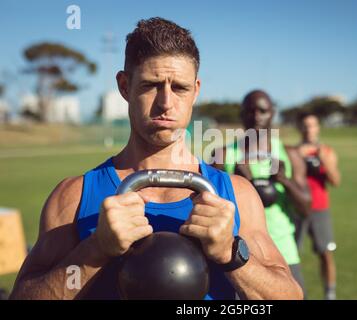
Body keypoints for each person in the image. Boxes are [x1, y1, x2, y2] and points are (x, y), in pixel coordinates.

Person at [9, 18, 302, 300]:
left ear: (195, 91)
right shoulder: (73, 197)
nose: (165, 103)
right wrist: (96, 249)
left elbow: (290, 295)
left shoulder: (237, 196)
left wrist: (231, 254)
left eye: (179, 88)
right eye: (151, 85)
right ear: (125, 86)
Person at [211, 90, 311, 292]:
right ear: (242, 115)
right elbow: (209, 207)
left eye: (262, 111)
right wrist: (239, 182)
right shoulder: (223, 155)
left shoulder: (289, 154)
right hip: (240, 255)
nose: (256, 117)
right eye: (250, 111)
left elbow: (306, 208)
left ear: (273, 113)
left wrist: (285, 180)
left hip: (284, 252)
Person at [289, 111, 341, 300]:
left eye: (312, 125)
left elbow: (336, 181)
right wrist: (298, 157)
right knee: (290, 255)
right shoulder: (292, 152)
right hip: (296, 210)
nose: (308, 129)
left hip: (320, 209)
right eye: (305, 125)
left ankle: (330, 294)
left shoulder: (327, 151)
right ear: (299, 128)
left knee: (326, 253)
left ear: (318, 127)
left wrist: (324, 161)